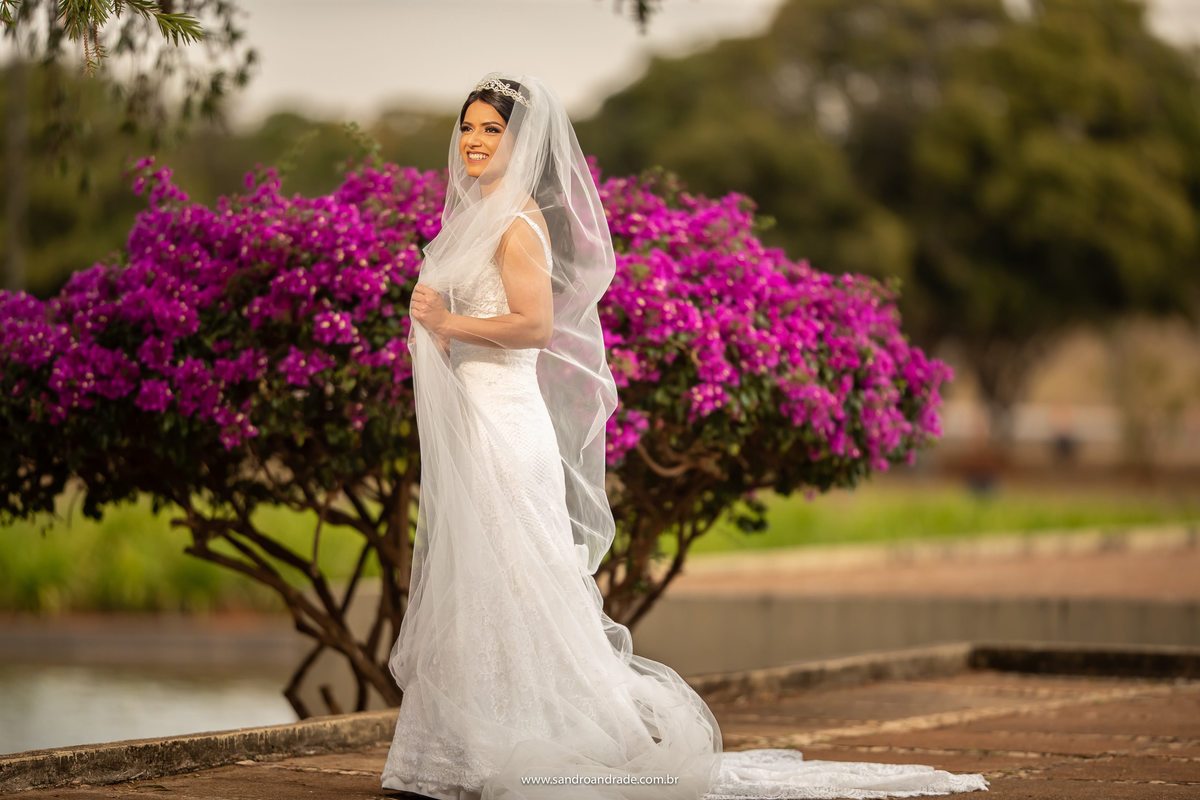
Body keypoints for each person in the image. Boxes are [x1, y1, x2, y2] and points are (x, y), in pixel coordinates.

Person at [382, 72, 988, 800]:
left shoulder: (516, 223)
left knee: (518, 579)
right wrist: (440, 334)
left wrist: (449, 322)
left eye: (492, 131)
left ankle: (535, 743)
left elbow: (536, 327)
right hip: (476, 419)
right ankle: (461, 748)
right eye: (469, 128)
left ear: (521, 144)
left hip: (510, 424)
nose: (476, 142)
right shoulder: (468, 223)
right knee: (479, 582)